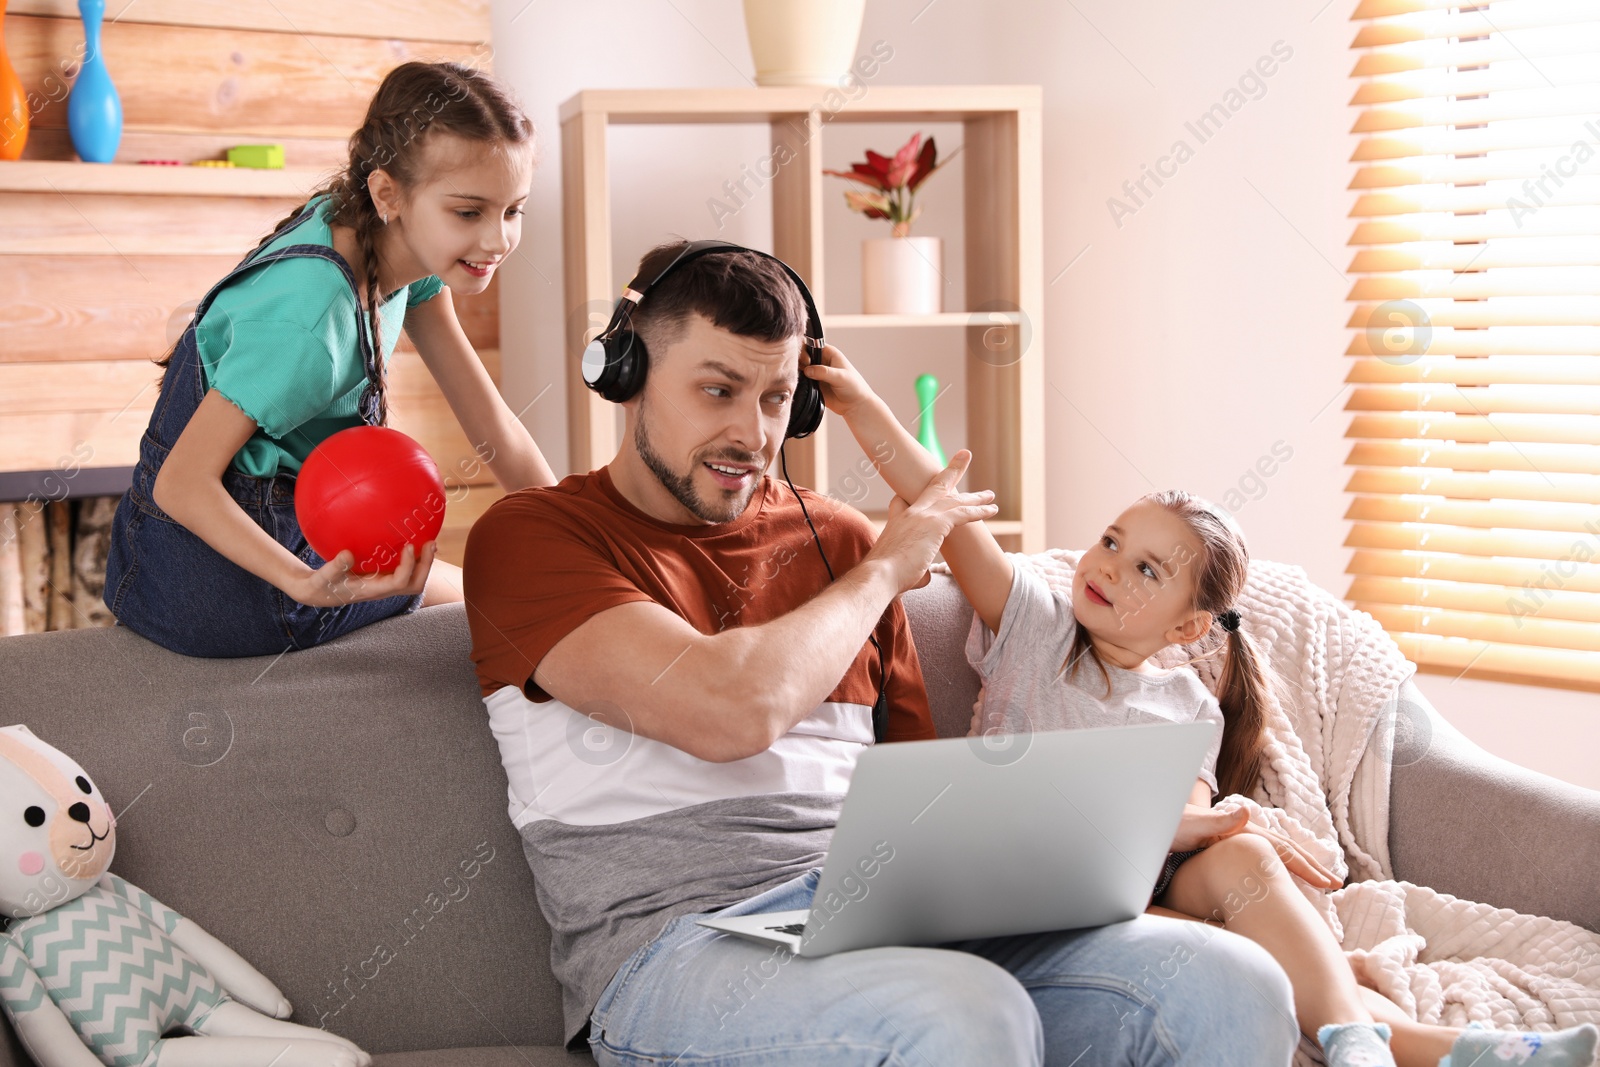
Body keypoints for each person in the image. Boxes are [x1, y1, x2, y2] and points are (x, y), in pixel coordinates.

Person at [463, 239, 1301, 1065]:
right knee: (965, 1014)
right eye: (717, 389)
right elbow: (728, 710)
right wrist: (887, 570)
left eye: (776, 399)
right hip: (676, 952)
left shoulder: (836, 538)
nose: (752, 433)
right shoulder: (533, 536)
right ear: (628, 372)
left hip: (876, 923)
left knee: (1233, 980)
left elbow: (918, 801)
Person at [804, 346, 1600, 1067]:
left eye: (1149, 570)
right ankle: (1438, 1046)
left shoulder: (1186, 702)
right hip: (1041, 893)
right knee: (1262, 949)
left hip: (1140, 887)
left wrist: (1227, 826)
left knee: (1245, 864)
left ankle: (1364, 1039)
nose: (1110, 568)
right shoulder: (1032, 626)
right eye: (1112, 541)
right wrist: (861, 403)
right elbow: (937, 504)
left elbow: (1179, 824)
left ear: (1186, 626)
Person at [102, 61, 555, 658]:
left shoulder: (382, 239)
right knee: (498, 605)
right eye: (468, 213)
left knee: (520, 590)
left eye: (513, 210)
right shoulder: (313, 326)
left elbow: (492, 424)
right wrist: (302, 584)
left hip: (278, 526)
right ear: (388, 192)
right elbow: (180, 485)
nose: (497, 241)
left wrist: (573, 539)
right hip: (211, 584)